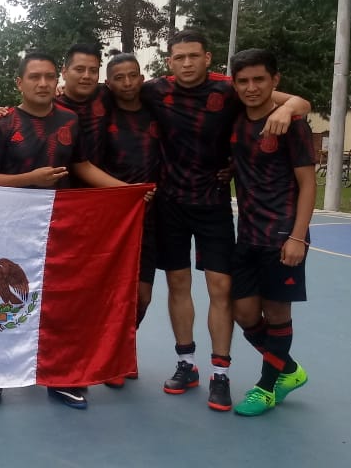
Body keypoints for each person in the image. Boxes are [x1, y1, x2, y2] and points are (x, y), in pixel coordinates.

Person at [140, 28, 310, 412]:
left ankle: (221, 373)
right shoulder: (155, 90)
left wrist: (285, 108)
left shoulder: (229, 89)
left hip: (214, 203)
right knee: (178, 284)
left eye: (193, 56)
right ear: (169, 61)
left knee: (221, 288)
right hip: (170, 203)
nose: (186, 63)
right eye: (178, 57)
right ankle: (186, 364)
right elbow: (103, 92)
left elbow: (299, 102)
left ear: (207, 58)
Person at [0, 52, 138, 411]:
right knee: (7, 303)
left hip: (57, 227)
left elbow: (81, 165)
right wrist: (30, 180)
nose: (43, 83)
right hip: (8, 227)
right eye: (35, 77)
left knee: (60, 303)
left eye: (49, 76)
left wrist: (125, 190)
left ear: (57, 81)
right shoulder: (2, 123)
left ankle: (61, 378)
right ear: (20, 82)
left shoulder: (69, 119)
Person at [226, 49, 315, 416]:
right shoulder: (235, 117)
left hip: (282, 236)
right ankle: (289, 369)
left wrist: (297, 238)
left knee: (277, 314)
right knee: (244, 313)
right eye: (243, 81)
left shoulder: (292, 124)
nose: (251, 88)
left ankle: (266, 387)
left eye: (259, 79)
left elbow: (308, 185)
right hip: (246, 233)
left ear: (274, 81)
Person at [99, 52, 161, 387]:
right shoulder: (101, 112)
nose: (127, 83)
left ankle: (124, 347)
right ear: (108, 82)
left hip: (151, 217)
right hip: (113, 216)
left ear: (141, 78)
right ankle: (111, 355)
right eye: (119, 78)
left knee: (142, 295)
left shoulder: (156, 108)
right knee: (109, 292)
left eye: (132, 76)